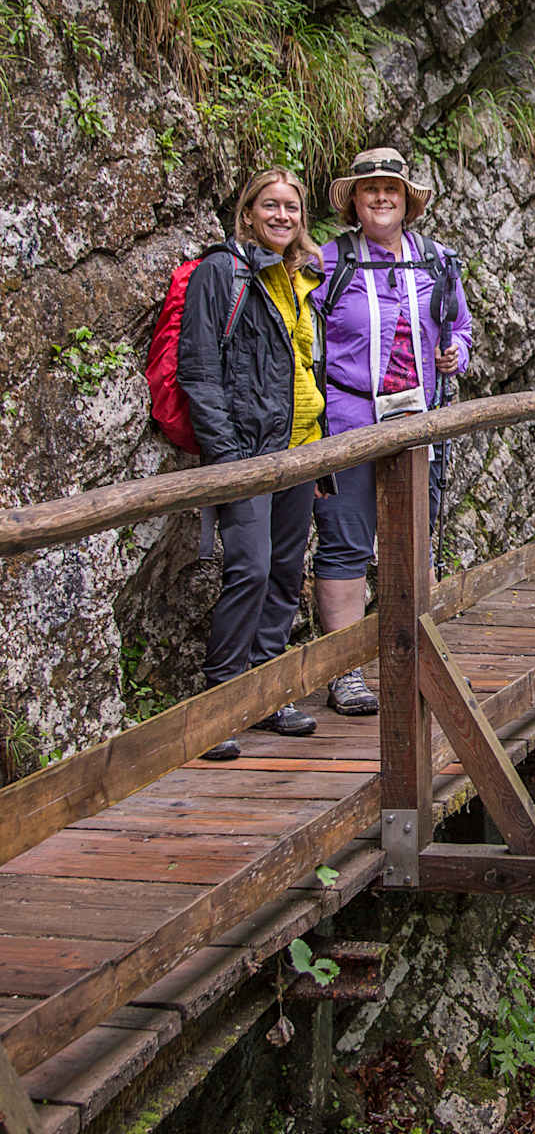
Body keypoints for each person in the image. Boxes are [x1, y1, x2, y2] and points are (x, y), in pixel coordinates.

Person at [312, 147, 472, 714]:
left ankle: (411, 655)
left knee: (413, 540)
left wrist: (457, 353)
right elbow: (304, 342)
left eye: (391, 189)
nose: (381, 197)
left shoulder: (436, 261)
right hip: (349, 420)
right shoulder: (328, 262)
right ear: (354, 201)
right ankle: (346, 672)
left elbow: (459, 326)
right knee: (345, 542)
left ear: (407, 201)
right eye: (370, 189)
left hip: (417, 421)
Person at [177, 167, 328, 759]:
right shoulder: (224, 271)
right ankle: (220, 704)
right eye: (271, 205)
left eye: (292, 207)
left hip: (300, 449)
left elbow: (304, 366)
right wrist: (229, 456)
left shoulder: (298, 277)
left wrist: (319, 455)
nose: (282, 216)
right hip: (246, 453)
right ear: (248, 212)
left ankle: (267, 695)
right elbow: (199, 368)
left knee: (288, 571)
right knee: (251, 570)